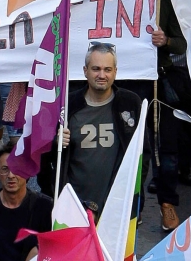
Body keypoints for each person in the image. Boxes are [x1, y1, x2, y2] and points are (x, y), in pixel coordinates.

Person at [41, 43, 143, 215]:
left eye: (107, 69)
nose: (102, 75)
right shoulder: (67, 105)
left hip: (118, 206)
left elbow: (142, 153)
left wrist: (134, 194)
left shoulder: (130, 103)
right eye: (96, 69)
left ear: (115, 72)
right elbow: (44, 154)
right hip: (74, 205)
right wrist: (56, 142)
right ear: (85, 70)